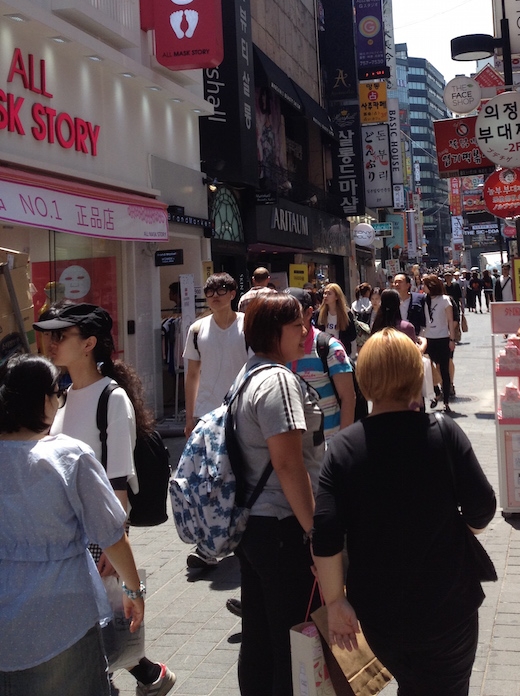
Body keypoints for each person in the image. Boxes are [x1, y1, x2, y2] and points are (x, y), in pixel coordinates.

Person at [313, 329, 496, 696]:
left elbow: (326, 534)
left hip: (380, 614)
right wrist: (461, 529)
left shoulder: (343, 448)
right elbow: (483, 508)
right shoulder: (443, 433)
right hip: (448, 607)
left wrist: (335, 602)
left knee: (412, 683)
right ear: (417, 374)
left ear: (364, 379)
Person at [33, 303, 174, 696]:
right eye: (50, 335)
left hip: (97, 533)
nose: (52, 343)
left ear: (89, 343)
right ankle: (147, 675)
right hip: (64, 532)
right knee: (85, 626)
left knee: (89, 627)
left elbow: (119, 485)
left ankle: (128, 678)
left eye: (61, 336)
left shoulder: (111, 398)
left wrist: (114, 545)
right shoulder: (61, 397)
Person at [0, 353, 145, 696]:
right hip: (64, 614)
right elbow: (112, 535)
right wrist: (133, 590)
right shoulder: (69, 456)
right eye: (58, 393)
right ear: (44, 400)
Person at [233, 293, 325, 696]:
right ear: (274, 332)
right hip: (283, 528)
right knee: (292, 638)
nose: (305, 331)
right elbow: (288, 464)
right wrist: (316, 534)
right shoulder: (278, 381)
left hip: (255, 525)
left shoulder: (248, 374)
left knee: (260, 636)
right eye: (296, 325)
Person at [182, 273, 249, 570]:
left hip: (243, 412)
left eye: (221, 290)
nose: (215, 295)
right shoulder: (197, 329)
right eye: (209, 291)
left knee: (242, 477)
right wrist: (190, 417)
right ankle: (208, 546)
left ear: (233, 293)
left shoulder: (248, 325)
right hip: (208, 417)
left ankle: (240, 537)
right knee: (209, 481)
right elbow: (192, 374)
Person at [285, 287, 355, 439]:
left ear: (308, 313)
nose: (285, 318)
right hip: (293, 445)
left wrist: (342, 444)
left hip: (328, 442)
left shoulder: (329, 348)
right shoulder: (277, 350)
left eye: (292, 313)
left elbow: (348, 398)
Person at [422, 274, 459, 412]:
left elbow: (450, 320)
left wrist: (452, 339)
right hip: (428, 338)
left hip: (443, 337)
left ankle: (446, 401)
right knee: (426, 367)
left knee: (444, 369)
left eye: (425, 285)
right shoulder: (424, 299)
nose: (423, 287)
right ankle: (436, 391)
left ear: (431, 286)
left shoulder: (445, 300)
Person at [313, 283, 357, 355]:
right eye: (325, 293)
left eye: (329, 294)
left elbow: (352, 335)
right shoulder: (319, 313)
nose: (325, 296)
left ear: (336, 297)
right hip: (324, 351)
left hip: (341, 351)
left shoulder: (347, 314)